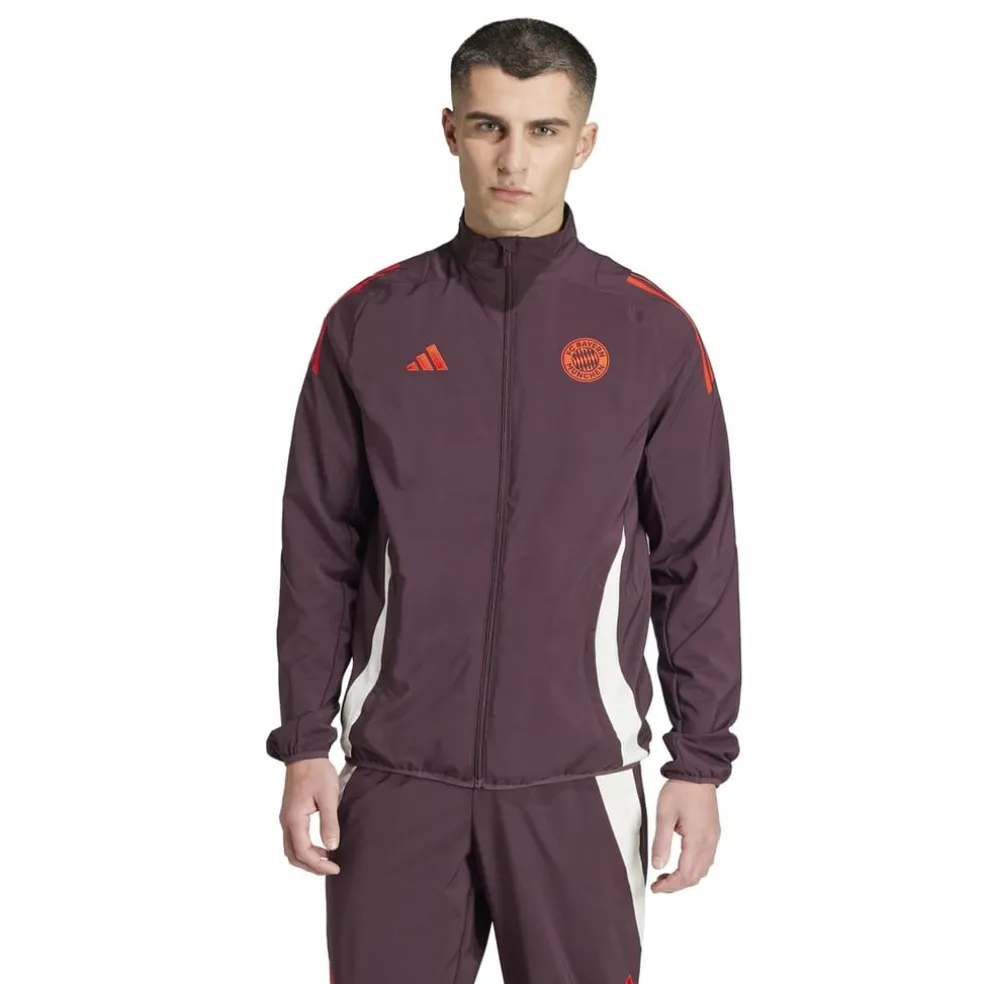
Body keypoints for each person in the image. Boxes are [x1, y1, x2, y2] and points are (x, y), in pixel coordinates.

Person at [266, 16, 742, 984]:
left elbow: (697, 560)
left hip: (578, 785)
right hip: (398, 781)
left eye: (543, 131)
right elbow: (318, 545)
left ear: (585, 141)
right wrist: (306, 741)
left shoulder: (649, 332)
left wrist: (699, 761)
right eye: (488, 127)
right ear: (450, 130)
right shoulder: (369, 324)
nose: (513, 160)